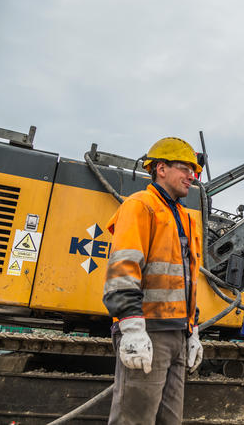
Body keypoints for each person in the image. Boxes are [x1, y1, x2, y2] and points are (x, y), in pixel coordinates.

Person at [103, 137, 205, 425]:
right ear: (161, 168)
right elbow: (123, 270)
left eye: (194, 171)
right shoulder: (140, 206)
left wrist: (193, 330)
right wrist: (132, 328)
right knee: (134, 419)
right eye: (186, 168)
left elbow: (187, 282)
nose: (191, 177)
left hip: (177, 335)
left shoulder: (185, 218)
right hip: (148, 332)